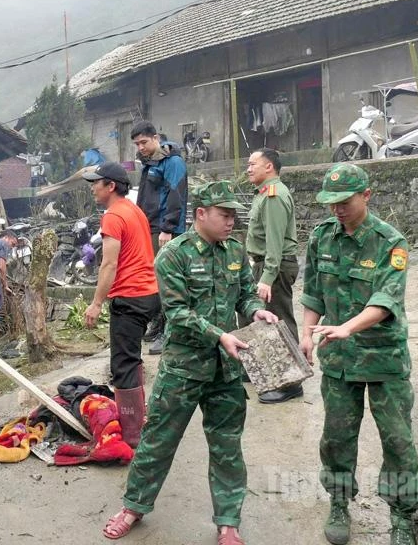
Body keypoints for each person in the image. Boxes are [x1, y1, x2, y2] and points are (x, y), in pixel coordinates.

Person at [102, 181, 279, 543]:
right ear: (201, 214)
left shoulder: (234, 251)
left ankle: (228, 521)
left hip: (225, 368)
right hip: (183, 369)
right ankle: (134, 506)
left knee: (227, 445)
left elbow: (245, 295)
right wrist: (220, 335)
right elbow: (177, 313)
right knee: (158, 440)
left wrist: (257, 312)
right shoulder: (173, 255)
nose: (232, 222)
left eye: (234, 216)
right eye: (224, 215)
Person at [300, 164, 418, 545]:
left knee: (397, 439)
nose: (337, 209)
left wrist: (348, 327)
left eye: (345, 201)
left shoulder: (390, 242)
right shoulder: (321, 238)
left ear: (366, 195)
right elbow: (314, 291)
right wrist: (306, 333)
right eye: (330, 202)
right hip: (338, 358)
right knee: (336, 436)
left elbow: (385, 300)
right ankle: (339, 501)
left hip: (383, 357)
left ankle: (402, 515)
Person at [81, 162, 159, 448]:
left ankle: (132, 434)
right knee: (133, 357)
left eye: (96, 182)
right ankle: (139, 418)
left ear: (110, 186)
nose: (93, 188)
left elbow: (109, 263)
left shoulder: (113, 215)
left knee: (123, 364)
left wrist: (96, 303)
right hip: (150, 293)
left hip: (130, 297)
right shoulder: (134, 210)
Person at [244, 147, 302, 403]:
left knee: (279, 320)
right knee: (264, 320)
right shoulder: (263, 194)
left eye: (253, 163)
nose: (248, 168)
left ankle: (292, 381)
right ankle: (264, 368)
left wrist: (267, 276)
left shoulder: (274, 196)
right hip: (266, 264)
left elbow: (275, 241)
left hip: (275, 267)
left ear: (269, 167)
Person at [131, 121, 187, 355]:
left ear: (156, 137)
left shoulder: (172, 161)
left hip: (165, 230)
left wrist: (168, 228)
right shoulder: (150, 163)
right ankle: (158, 322)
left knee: (168, 280)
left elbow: (175, 195)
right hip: (150, 226)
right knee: (153, 278)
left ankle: (170, 330)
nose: (140, 147)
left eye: (144, 142)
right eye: (136, 144)